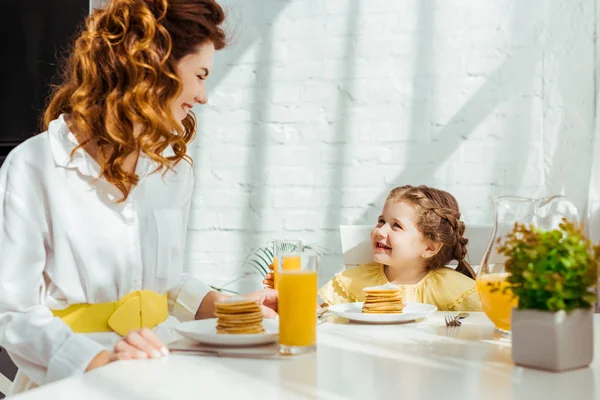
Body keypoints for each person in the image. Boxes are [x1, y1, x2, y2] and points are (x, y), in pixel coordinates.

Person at [0, 0, 276, 392]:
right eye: (200, 75)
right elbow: (13, 311)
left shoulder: (172, 171)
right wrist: (100, 363)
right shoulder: (33, 166)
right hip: (72, 381)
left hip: (160, 366)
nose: (203, 96)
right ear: (155, 65)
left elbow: (164, 280)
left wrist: (230, 307)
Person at [264, 185, 481, 311]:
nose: (381, 231)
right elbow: (320, 319)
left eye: (396, 225)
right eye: (380, 221)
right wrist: (286, 298)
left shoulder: (454, 289)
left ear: (430, 247)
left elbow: (483, 329)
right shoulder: (354, 281)